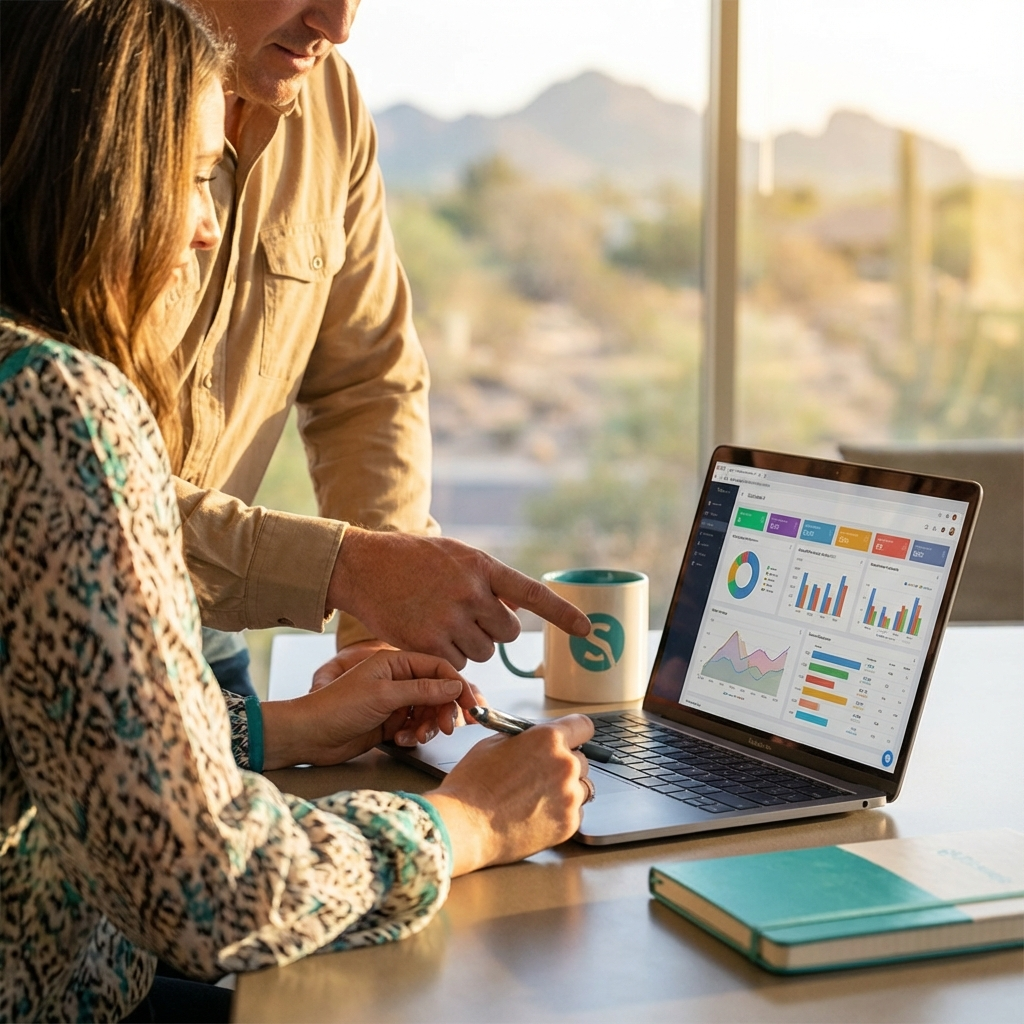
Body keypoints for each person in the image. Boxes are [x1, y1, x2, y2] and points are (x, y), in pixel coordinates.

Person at [0, 3, 595, 1021]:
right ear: (102, 172)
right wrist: (470, 825)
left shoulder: (326, 107)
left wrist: (288, 722)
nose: (207, 224)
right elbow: (211, 891)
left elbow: (57, 743)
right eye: (193, 177)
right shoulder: (61, 408)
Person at [163, 0, 587, 695]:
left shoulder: (330, 101)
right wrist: (348, 568)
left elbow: (366, 385)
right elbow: (61, 468)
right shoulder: (67, 86)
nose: (338, 26)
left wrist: (378, 635)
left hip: (200, 631)